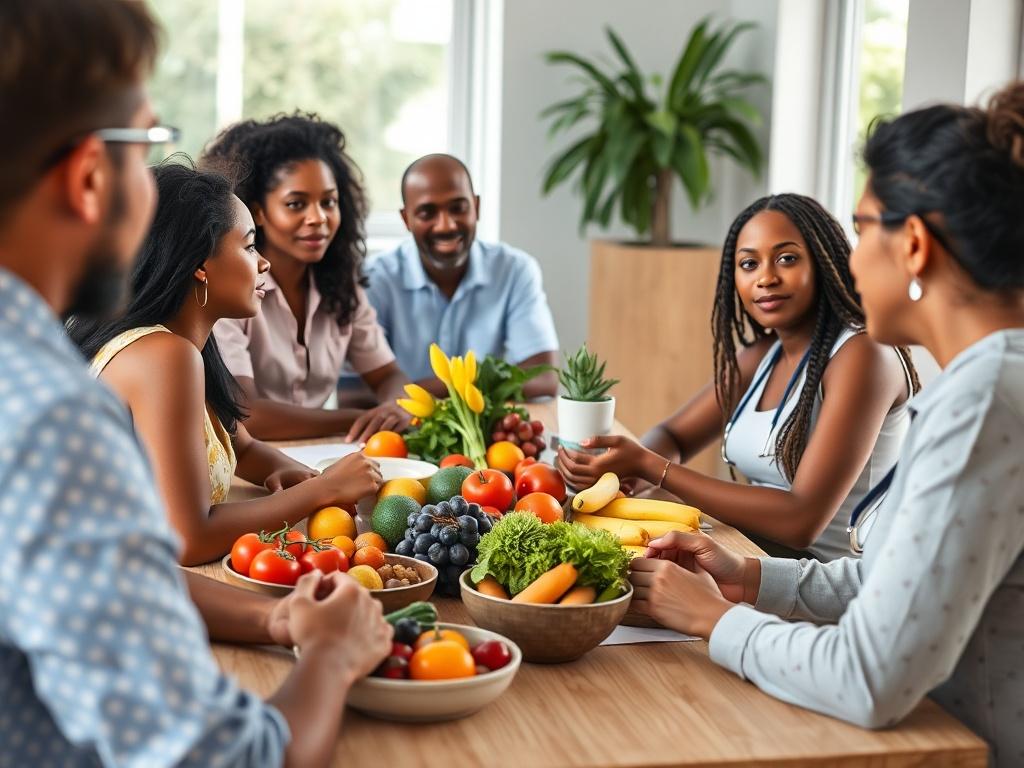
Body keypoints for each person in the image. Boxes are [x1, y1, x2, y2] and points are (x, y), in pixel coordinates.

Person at [0, 2, 390, 766]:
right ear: (88, 176)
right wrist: (333, 657)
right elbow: (226, 757)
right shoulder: (53, 419)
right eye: (148, 142)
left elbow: (123, 576)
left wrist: (280, 624)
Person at [629, 83, 1024, 766]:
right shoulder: (981, 382)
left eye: (863, 228)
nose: (851, 255)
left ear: (915, 246)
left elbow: (867, 678)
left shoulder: (984, 399)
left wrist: (712, 619)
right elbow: (889, 584)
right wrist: (745, 578)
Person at [559, 194, 918, 561]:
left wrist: (653, 467)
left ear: (825, 262)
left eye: (787, 258)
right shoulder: (763, 355)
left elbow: (801, 520)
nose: (766, 277)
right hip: (752, 554)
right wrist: (631, 476)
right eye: (749, 263)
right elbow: (674, 435)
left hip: (828, 584)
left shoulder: (863, 356)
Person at [69, 161, 383, 566]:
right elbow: (189, 539)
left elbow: (243, 447)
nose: (263, 263)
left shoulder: (186, 344)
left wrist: (306, 477)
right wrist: (320, 492)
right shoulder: (164, 357)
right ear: (201, 265)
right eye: (250, 246)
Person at [202, 114, 412, 442]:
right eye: (296, 204)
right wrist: (357, 419)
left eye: (329, 202)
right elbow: (246, 414)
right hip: (246, 466)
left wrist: (394, 407)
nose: (318, 218)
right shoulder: (228, 288)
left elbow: (388, 375)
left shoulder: (341, 286)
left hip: (321, 457)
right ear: (257, 211)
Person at [364, 153, 560, 398]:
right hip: (401, 432)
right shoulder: (374, 278)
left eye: (458, 208)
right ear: (406, 219)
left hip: (486, 429)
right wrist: (486, 382)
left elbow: (543, 378)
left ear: (475, 207)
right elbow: (354, 393)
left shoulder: (514, 270)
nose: (446, 225)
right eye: (427, 213)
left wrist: (413, 391)